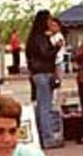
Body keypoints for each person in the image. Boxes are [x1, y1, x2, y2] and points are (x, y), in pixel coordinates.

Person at [26, 10, 62, 148]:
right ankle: (48, 138)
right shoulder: (40, 37)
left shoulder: (34, 37)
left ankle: (41, 136)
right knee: (45, 106)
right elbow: (45, 54)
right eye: (48, 19)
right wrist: (56, 48)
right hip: (43, 73)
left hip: (37, 73)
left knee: (41, 105)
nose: (50, 22)